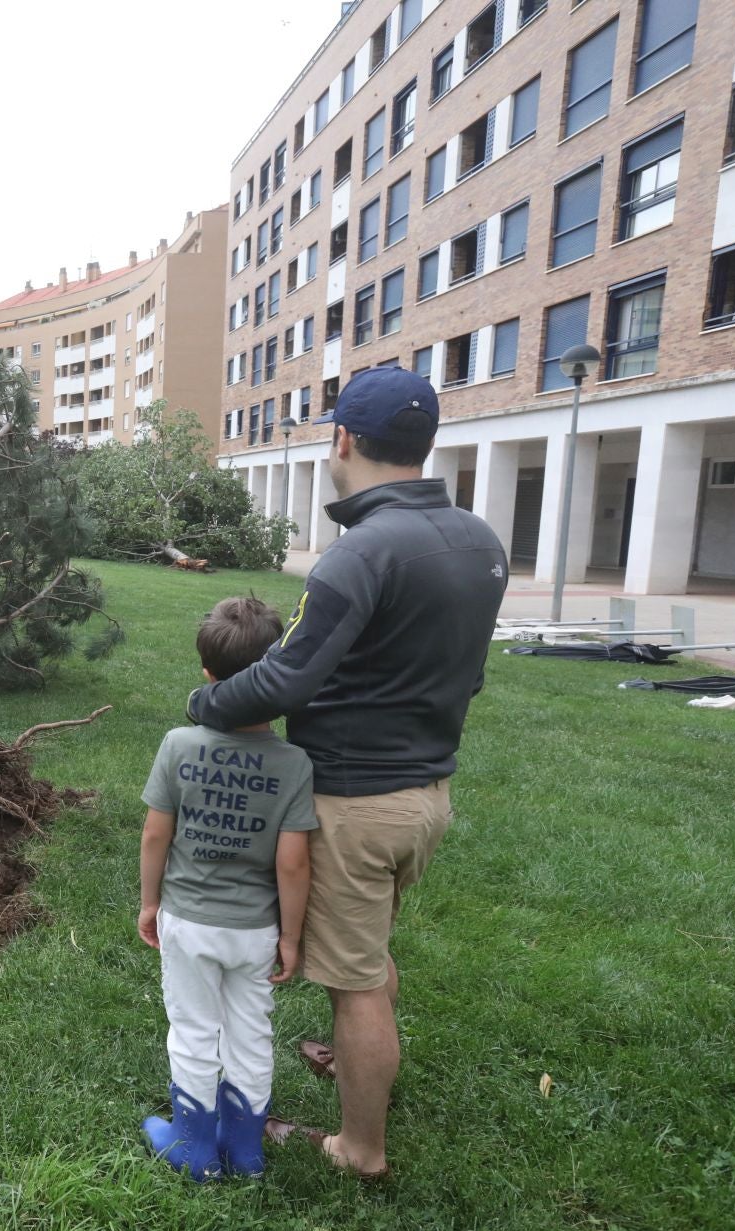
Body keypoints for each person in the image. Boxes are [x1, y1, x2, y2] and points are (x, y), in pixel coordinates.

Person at [187, 367, 508, 1178]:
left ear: (343, 441)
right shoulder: (479, 542)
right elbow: (467, 677)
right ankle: (361, 1063)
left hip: (354, 807)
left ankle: (359, 1147)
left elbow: (287, 679)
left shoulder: (358, 553)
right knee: (370, 952)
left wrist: (206, 703)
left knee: (354, 984)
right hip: (427, 798)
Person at [138, 596, 316, 1181]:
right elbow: (293, 865)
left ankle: (192, 1147)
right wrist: (291, 936)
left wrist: (149, 902)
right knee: (251, 1031)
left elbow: (155, 836)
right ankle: (245, 1151)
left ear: (207, 675)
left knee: (193, 1029)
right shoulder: (293, 763)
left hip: (187, 921)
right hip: (256, 929)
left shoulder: (179, 746)